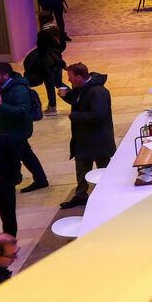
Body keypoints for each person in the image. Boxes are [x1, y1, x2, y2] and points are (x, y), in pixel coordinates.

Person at [58, 63, 115, 209]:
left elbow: (99, 115)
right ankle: (81, 195)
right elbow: (78, 101)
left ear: (78, 77)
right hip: (84, 140)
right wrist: (66, 96)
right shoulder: (83, 88)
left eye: (70, 77)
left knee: (104, 170)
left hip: (98, 140)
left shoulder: (98, 91)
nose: (69, 81)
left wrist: (75, 116)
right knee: (82, 169)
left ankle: (108, 195)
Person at [0, 63, 47, 192]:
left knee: (11, 158)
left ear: (6, 75)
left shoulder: (19, 89)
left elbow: (23, 110)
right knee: (26, 155)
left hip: (18, 130)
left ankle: (12, 182)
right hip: (8, 129)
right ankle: (41, 180)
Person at [25, 17, 67, 114]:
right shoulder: (57, 30)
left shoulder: (42, 33)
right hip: (58, 61)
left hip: (48, 64)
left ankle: (52, 108)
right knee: (59, 83)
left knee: (50, 86)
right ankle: (75, 98)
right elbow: (63, 45)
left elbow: (42, 50)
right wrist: (57, 53)